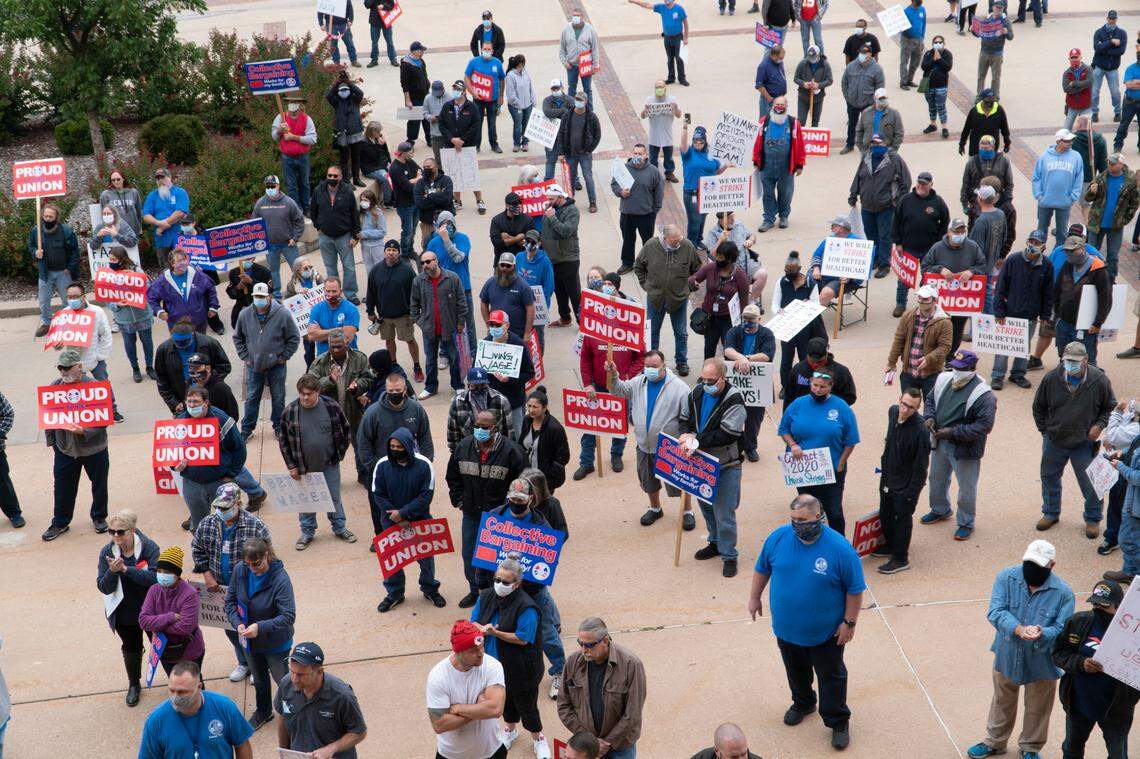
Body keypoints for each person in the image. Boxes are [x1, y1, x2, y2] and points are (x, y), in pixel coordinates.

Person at [749, 494, 865, 751]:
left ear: (818, 516)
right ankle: (803, 703)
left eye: (802, 520)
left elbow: (855, 589)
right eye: (793, 519)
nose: (797, 525)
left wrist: (850, 622)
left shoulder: (840, 548)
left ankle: (837, 720)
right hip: (787, 629)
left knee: (831, 676)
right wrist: (754, 598)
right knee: (795, 670)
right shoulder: (778, 538)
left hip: (826, 633)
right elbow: (762, 568)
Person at [965, 540, 1073, 759]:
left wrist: (1043, 632)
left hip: (1042, 659)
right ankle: (995, 742)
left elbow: (1062, 628)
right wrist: (1018, 629)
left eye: (1038, 565)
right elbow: (995, 611)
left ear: (1052, 565)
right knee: (1002, 699)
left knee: (1038, 706)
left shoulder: (1063, 593)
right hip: (1007, 653)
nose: (1031, 569)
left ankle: (1031, 747)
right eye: (1029, 563)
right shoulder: (1006, 578)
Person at [470, 555, 552, 758]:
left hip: (521, 667)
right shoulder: (486, 596)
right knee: (504, 701)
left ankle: (538, 738)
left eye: (505, 582)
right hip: (494, 664)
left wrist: (495, 632)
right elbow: (473, 621)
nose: (500, 584)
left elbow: (522, 638)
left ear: (517, 584)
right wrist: (480, 628)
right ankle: (510, 729)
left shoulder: (527, 607)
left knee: (527, 705)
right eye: (497, 579)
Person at [1032, 341, 1115, 537]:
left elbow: (1109, 407)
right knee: (1049, 477)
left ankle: (1093, 519)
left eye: (1075, 361)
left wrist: (1099, 426)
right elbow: (1038, 408)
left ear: (1085, 359)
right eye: (1067, 360)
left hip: (1084, 443)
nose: (1070, 365)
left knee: (1091, 483)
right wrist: (1046, 432)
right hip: (1054, 440)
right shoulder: (1051, 378)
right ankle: (1050, 513)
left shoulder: (1099, 380)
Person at [446, 409, 527, 608]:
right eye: (477, 426)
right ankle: (476, 591)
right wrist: (460, 501)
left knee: (498, 557)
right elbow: (452, 477)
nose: (480, 430)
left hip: (500, 518)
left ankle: (497, 593)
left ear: (495, 428)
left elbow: (523, 483)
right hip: (471, 514)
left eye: (485, 427)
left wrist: (511, 510)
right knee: (469, 555)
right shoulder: (463, 447)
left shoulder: (512, 451)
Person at [191, 485, 271, 684]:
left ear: (238, 503)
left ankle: (258, 666)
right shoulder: (207, 524)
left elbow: (268, 559)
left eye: (225, 507)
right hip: (221, 589)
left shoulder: (255, 526)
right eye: (218, 506)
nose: (221, 510)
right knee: (231, 628)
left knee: (252, 626)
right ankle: (243, 662)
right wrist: (206, 573)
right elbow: (198, 550)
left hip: (249, 588)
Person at [1052, 578, 1140, 757]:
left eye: (1104, 605)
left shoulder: (1134, 633)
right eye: (1095, 604)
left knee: (1118, 755)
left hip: (1117, 710)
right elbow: (1058, 653)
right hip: (1079, 704)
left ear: (1119, 606)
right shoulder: (1078, 621)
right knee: (1071, 749)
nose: (1098, 609)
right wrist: (1080, 663)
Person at [610, 350, 695, 528]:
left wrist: (686, 440)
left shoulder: (680, 388)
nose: (650, 370)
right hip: (644, 445)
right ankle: (655, 508)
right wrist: (614, 374)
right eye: (647, 366)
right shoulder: (639, 381)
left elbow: (688, 418)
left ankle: (687, 511)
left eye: (654, 367)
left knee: (680, 482)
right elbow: (619, 390)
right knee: (648, 482)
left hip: (670, 447)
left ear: (664, 365)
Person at [919, 349, 997, 541]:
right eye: (955, 367)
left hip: (964, 448)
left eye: (961, 368)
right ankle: (940, 510)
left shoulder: (984, 395)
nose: (956, 371)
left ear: (972, 368)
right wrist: (929, 417)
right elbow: (930, 400)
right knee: (936, 478)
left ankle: (966, 522)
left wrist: (953, 432)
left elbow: (983, 427)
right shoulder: (944, 379)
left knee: (966, 488)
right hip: (940, 441)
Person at [678, 358, 746, 576]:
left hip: (726, 464)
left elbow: (728, 434)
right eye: (703, 379)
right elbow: (684, 419)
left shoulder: (734, 399)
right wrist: (685, 433)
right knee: (707, 507)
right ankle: (715, 542)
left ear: (723, 378)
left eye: (711, 380)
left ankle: (729, 555)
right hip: (701, 463)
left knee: (724, 512)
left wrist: (696, 439)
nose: (706, 384)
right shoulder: (697, 392)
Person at [278, 375, 357, 550]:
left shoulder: (331, 406)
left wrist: (339, 454)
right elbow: (283, 441)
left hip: (329, 465)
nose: (305, 397)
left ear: (318, 392)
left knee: (334, 498)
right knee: (307, 501)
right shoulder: (290, 411)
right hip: (303, 468)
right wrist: (292, 466)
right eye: (302, 394)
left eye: (309, 394)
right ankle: (307, 533)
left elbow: (346, 430)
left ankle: (340, 528)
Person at [371, 428, 446, 611]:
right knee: (392, 559)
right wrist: (397, 517)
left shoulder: (424, 464)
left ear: (408, 446)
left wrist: (404, 513)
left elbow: (425, 496)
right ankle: (394, 594)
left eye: (399, 447)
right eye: (392, 446)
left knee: (426, 559)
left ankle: (430, 589)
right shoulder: (382, 464)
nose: (395, 450)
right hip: (390, 520)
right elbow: (378, 494)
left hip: (419, 519)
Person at [224, 537, 295, 730]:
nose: (252, 569)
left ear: (266, 556)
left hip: (276, 643)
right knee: (259, 678)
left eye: (256, 564)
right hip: (249, 640)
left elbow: (288, 616)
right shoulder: (241, 570)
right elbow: (229, 602)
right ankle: (264, 711)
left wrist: (260, 627)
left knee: (284, 681)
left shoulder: (281, 579)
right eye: (248, 564)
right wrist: (237, 623)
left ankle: (294, 714)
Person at [574, 284, 643, 479]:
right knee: (590, 426)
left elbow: (641, 358)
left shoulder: (630, 330)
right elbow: (585, 359)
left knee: (619, 425)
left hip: (621, 388)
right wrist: (587, 383)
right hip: (597, 386)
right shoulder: (592, 331)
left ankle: (616, 456)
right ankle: (586, 462)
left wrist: (626, 377)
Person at [779, 373, 860, 536]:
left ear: (830, 386)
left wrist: (842, 462)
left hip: (832, 471)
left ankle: (839, 542)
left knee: (835, 512)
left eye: (822, 387)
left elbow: (851, 440)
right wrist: (792, 444)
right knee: (808, 510)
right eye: (815, 385)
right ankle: (811, 539)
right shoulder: (798, 404)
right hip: (805, 470)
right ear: (810, 382)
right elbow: (783, 428)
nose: (817, 389)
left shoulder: (842, 407)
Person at [41, 350, 109, 542]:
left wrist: (84, 431)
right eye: (60, 368)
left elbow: (104, 418)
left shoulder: (95, 387)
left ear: (79, 366)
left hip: (95, 448)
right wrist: (52, 442)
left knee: (99, 484)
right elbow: (48, 417)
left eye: (67, 367)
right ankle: (60, 522)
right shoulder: (54, 388)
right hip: (65, 449)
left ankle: (99, 517)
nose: (63, 371)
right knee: (63, 487)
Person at [176, 385, 264, 532]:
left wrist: (231, 474)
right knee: (199, 527)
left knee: (231, 523)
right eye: (189, 401)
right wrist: (175, 466)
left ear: (206, 402)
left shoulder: (221, 419)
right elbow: (171, 453)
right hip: (192, 483)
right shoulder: (179, 423)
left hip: (220, 481)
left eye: (196, 401)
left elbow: (239, 449)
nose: (192, 405)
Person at [557, 617, 646, 759]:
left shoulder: (631, 665)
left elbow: (633, 713)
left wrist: (607, 743)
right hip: (585, 748)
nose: (583, 650)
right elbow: (563, 704)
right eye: (580, 643)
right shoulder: (573, 662)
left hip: (620, 747)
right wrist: (589, 740)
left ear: (605, 641)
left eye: (589, 645)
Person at [96, 509, 158, 707]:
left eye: (120, 531)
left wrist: (125, 569)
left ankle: (178, 680)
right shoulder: (107, 552)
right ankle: (134, 684)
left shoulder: (149, 548)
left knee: (161, 646)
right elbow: (103, 586)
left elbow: (155, 579)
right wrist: (112, 572)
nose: (116, 535)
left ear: (132, 530)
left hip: (150, 610)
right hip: (124, 612)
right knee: (131, 648)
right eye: (112, 531)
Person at [137, 661, 253, 759]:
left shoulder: (225, 707)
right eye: (171, 690)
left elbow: (242, 745)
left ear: (199, 687)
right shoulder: (156, 721)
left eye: (182, 692)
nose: (175, 697)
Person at [427, 620, 508, 759]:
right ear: (458, 651)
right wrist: (479, 708)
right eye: (474, 650)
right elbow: (439, 725)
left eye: (482, 647)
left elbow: (495, 709)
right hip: (451, 755)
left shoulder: (493, 666)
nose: (481, 653)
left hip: (491, 752)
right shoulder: (438, 676)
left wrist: (457, 708)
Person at [275, 642, 368, 757]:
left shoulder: (342, 696)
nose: (294, 679)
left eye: (301, 674)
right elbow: (282, 718)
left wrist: (331, 748)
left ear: (319, 671)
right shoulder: (286, 684)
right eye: (292, 672)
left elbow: (359, 732)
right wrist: (284, 753)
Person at [233, 282, 298, 440]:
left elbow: (294, 338)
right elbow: (238, 338)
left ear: (269, 297)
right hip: (254, 366)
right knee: (252, 398)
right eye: (256, 296)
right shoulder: (244, 315)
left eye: (262, 296)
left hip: (276, 366)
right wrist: (245, 357)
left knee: (278, 398)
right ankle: (247, 429)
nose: (259, 299)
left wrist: (284, 357)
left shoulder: (282, 314)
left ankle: (279, 427)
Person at [635, 224, 701, 376]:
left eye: (679, 239)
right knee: (652, 333)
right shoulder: (650, 246)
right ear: (665, 238)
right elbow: (638, 266)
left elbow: (697, 269)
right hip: (655, 298)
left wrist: (690, 285)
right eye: (674, 241)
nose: (678, 243)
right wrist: (646, 285)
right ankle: (652, 363)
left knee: (681, 332)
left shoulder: (687, 246)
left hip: (679, 298)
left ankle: (681, 362)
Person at [992, 230, 1053, 389]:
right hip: (1009, 313)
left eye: (1037, 243)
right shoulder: (1013, 260)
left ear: (1043, 246)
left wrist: (1045, 315)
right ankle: (997, 375)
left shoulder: (1047, 265)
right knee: (1003, 346)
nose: (1033, 245)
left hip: (1030, 315)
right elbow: (1000, 288)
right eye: (1031, 241)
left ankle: (1018, 374)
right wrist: (999, 311)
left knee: (1024, 346)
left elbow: (1048, 293)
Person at [850, 133, 911, 278]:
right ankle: (875, 259)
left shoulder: (894, 159)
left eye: (879, 143)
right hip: (867, 206)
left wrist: (899, 200)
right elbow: (858, 176)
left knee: (885, 236)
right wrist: (853, 194)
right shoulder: (866, 158)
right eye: (874, 143)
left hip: (886, 207)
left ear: (885, 144)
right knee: (870, 235)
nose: (876, 146)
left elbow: (906, 181)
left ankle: (885, 264)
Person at [921, 218, 987, 352]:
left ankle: (951, 357)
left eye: (963, 231)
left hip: (962, 302)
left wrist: (971, 271)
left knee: (957, 331)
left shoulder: (973, 247)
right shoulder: (937, 248)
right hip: (942, 301)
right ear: (949, 232)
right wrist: (940, 269)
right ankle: (936, 355)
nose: (960, 234)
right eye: (957, 231)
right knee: (937, 329)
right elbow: (925, 268)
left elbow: (982, 265)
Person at [138, 545, 205, 676]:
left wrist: (156, 626)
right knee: (174, 681)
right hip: (165, 651)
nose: (162, 575)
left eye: (167, 572)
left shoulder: (189, 594)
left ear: (177, 575)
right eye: (159, 571)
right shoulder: (154, 590)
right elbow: (143, 621)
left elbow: (185, 628)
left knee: (193, 684)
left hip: (189, 652)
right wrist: (171, 617)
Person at [410, 249, 468, 399]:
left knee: (454, 359)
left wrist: (460, 322)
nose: (425, 265)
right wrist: (421, 323)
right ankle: (430, 387)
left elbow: (462, 302)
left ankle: (458, 386)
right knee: (430, 360)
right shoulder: (418, 281)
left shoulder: (452, 278)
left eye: (428, 261)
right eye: (423, 263)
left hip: (450, 328)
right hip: (429, 329)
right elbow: (414, 305)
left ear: (436, 261)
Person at [721, 305, 775, 463]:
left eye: (751, 318)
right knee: (733, 415)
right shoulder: (734, 331)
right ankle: (737, 445)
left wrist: (747, 359)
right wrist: (740, 357)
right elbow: (727, 349)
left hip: (757, 385)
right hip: (736, 382)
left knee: (754, 418)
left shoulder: (767, 334)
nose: (747, 321)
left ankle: (750, 447)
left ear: (759, 319)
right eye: (745, 318)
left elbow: (767, 355)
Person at [59, 282, 120, 421]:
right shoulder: (64, 314)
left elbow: (105, 335)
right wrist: (58, 345)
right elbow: (59, 336)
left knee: (103, 385)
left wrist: (100, 355)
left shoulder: (97, 312)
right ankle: (83, 413)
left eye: (75, 296)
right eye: (69, 297)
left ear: (84, 296)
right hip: (73, 361)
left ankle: (112, 410)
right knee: (76, 389)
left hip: (94, 358)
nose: (72, 300)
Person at [892, 172, 950, 316]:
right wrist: (898, 242)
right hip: (908, 247)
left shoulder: (938, 202)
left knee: (928, 278)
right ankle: (900, 303)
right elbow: (896, 222)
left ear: (931, 185)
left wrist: (938, 243)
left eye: (924, 184)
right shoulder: (905, 200)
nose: (921, 186)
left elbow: (945, 222)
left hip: (929, 249)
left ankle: (926, 306)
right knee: (903, 279)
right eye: (919, 183)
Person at [357, 372, 435, 480]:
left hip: (411, 468)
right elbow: (363, 442)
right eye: (391, 391)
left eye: (398, 390)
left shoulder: (416, 409)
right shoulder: (372, 413)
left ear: (405, 389)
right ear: (386, 389)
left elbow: (425, 438)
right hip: (382, 471)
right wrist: (374, 467)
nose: (394, 393)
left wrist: (425, 463)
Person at [886, 285, 953, 399]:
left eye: (925, 299)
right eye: (919, 298)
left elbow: (945, 347)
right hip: (908, 372)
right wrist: (891, 362)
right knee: (908, 406)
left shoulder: (944, 322)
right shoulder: (908, 316)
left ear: (934, 301)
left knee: (930, 407)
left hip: (931, 375)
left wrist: (929, 359)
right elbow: (899, 340)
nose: (921, 301)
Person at [1053, 235, 1112, 363]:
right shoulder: (1068, 265)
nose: (1070, 254)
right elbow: (1058, 288)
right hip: (1064, 322)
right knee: (1064, 358)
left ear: (1083, 248)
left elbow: (1105, 299)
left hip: (1085, 326)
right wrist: (1057, 312)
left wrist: (1098, 323)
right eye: (1067, 251)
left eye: (1073, 250)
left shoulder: (1098, 269)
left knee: (1087, 360)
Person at [153, 320, 231, 414]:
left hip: (209, 397)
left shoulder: (209, 343)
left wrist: (208, 380)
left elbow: (224, 366)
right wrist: (173, 403)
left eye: (185, 341)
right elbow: (161, 380)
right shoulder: (164, 350)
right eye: (177, 342)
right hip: (182, 401)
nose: (181, 345)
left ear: (193, 334)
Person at [689, 242, 751, 359]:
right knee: (709, 350)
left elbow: (744, 302)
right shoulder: (711, 268)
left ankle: (727, 371)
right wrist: (694, 282)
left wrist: (744, 322)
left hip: (728, 320)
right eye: (717, 255)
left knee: (729, 351)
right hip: (710, 317)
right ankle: (707, 370)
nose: (717, 259)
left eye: (721, 257)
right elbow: (694, 278)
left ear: (730, 258)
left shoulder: (740, 276)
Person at [772, 252, 824, 390]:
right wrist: (778, 311)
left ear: (799, 269)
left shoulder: (810, 283)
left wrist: (809, 305)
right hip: (786, 327)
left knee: (804, 358)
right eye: (786, 270)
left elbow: (817, 304)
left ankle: (805, 385)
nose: (788, 273)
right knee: (786, 359)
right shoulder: (782, 282)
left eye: (791, 270)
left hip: (804, 328)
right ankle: (785, 386)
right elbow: (774, 305)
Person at [752, 96, 805, 231]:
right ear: (772, 105)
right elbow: (757, 142)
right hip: (767, 166)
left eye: (782, 104)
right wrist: (756, 160)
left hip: (785, 166)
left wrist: (800, 164)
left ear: (786, 106)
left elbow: (800, 144)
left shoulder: (793, 123)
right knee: (767, 194)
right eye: (777, 104)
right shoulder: (764, 122)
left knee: (785, 193)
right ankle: (769, 219)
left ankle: (784, 216)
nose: (779, 107)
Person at [311, 166, 362, 304]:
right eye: (330, 175)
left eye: (335, 176)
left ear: (340, 177)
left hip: (344, 236)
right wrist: (318, 227)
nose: (332, 178)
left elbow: (354, 214)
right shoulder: (318, 191)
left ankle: (351, 294)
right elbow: (313, 211)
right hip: (325, 237)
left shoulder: (347, 191)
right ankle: (334, 294)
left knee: (349, 267)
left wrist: (355, 236)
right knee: (330, 267)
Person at [1085, 152, 1138, 281]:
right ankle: (1089, 277)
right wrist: (1092, 192)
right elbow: (1087, 198)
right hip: (1097, 223)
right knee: (1091, 252)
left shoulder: (1130, 181)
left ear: (1121, 164)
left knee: (1113, 255)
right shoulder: (1101, 177)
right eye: (1109, 162)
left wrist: (1124, 220)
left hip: (1116, 225)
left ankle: (1110, 279)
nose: (1110, 165)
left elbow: (1134, 203)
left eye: (1113, 163)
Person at [427, 211, 476, 352]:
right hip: (442, 289)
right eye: (443, 223)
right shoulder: (433, 243)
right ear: (438, 226)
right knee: (444, 324)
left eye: (449, 223)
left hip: (463, 289)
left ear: (454, 224)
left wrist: (446, 240)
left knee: (467, 324)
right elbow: (429, 266)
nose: (447, 226)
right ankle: (445, 353)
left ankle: (473, 352)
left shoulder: (463, 238)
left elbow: (458, 258)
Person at [482, 311, 535, 434]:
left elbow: (529, 372)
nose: (494, 328)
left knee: (518, 434)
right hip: (491, 402)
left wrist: (509, 379)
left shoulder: (518, 345)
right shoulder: (485, 344)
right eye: (491, 325)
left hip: (513, 401)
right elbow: (477, 370)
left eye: (497, 325)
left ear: (507, 326)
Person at [613, 144, 664, 273]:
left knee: (647, 242)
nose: (637, 156)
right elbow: (614, 184)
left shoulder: (653, 171)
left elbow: (659, 191)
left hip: (646, 214)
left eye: (640, 154)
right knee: (628, 240)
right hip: (627, 213)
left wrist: (655, 210)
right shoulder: (624, 169)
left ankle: (647, 264)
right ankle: (627, 263)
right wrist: (620, 192)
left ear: (645, 155)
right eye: (635, 153)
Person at [147, 247, 221, 335]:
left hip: (199, 320)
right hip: (176, 324)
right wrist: (159, 311)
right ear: (172, 263)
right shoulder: (163, 281)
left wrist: (213, 306)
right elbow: (151, 297)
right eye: (179, 260)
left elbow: (211, 289)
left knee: (200, 343)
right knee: (180, 343)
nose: (183, 262)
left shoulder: (197, 275)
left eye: (184, 259)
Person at [252, 175, 305, 298]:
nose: (270, 188)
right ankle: (276, 294)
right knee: (273, 272)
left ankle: (301, 290)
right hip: (270, 245)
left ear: (278, 186)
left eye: (272, 186)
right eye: (268, 186)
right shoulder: (260, 203)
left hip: (288, 243)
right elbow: (254, 224)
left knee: (297, 268)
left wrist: (295, 237)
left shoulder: (289, 202)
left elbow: (299, 220)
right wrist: (260, 240)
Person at [439, 80, 487, 213]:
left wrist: (462, 140)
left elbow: (475, 126)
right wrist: (452, 139)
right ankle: (457, 201)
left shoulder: (472, 107)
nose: (456, 91)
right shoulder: (447, 106)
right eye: (454, 89)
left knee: (471, 174)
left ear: (464, 92)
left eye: (458, 89)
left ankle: (479, 200)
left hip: (467, 146)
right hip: (451, 146)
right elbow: (442, 124)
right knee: (454, 175)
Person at [1032, 129, 1083, 246]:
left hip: (1064, 202)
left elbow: (1079, 177)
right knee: (1041, 230)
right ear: (1058, 141)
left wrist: (1073, 197)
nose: (1071, 143)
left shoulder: (1076, 157)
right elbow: (1036, 177)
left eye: (1072, 140)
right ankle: (1039, 251)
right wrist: (1039, 195)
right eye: (1067, 141)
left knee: (1062, 232)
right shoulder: (1045, 156)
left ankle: (1059, 253)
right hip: (1045, 202)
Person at [541, 184, 583, 326]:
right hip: (552, 258)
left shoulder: (572, 211)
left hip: (568, 258)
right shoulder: (550, 208)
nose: (548, 201)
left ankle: (583, 323)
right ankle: (565, 318)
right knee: (559, 292)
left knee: (574, 293)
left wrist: (552, 217)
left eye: (551, 199)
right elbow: (546, 231)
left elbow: (566, 231)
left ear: (560, 197)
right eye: (548, 198)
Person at [704, 212, 768, 305]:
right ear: (722, 219)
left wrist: (750, 240)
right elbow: (712, 255)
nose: (733, 220)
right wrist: (720, 241)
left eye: (733, 217)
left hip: (745, 261)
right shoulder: (713, 232)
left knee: (762, 274)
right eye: (730, 218)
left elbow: (752, 235)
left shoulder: (738, 225)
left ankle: (752, 301)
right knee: (731, 286)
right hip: (728, 266)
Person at [679, 123, 727, 246]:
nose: (698, 143)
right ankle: (691, 245)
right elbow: (683, 144)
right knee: (694, 221)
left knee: (702, 219)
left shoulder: (711, 154)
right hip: (692, 193)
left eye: (700, 141)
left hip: (707, 193)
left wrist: (726, 165)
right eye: (695, 140)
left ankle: (698, 240)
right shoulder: (688, 152)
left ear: (705, 141)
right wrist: (685, 128)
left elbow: (717, 171)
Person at [446, 368, 513, 452]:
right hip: (469, 450)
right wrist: (456, 453)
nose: (479, 388)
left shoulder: (501, 400)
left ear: (488, 384)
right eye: (475, 386)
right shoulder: (458, 402)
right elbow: (453, 432)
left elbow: (509, 431)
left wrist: (507, 452)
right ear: (468, 385)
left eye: (483, 385)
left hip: (496, 450)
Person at [271, 94, 317, 214]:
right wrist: (280, 130)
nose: (292, 104)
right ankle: (296, 209)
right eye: (290, 102)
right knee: (291, 185)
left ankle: (306, 207)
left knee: (304, 183)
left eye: (295, 102)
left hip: (303, 157)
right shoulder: (281, 117)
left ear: (300, 105)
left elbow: (312, 139)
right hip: (287, 158)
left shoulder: (307, 119)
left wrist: (293, 137)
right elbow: (274, 136)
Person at [518, 388, 571, 493]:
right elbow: (521, 444)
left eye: (535, 407)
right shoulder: (527, 420)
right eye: (529, 406)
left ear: (544, 408)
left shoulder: (555, 428)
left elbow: (563, 457)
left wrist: (548, 476)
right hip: (527, 476)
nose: (531, 410)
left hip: (545, 480)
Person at [557, 93, 602, 214]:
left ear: (585, 102)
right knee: (570, 178)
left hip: (585, 154)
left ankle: (592, 201)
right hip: (570, 153)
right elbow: (561, 133)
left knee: (588, 177)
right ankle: (570, 201)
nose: (578, 101)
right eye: (576, 99)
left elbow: (597, 135)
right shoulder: (568, 115)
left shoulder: (591, 116)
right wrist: (561, 152)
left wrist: (589, 149)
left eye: (580, 100)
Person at [784, 335, 857, 409]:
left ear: (826, 355)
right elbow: (788, 396)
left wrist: (829, 402)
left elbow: (850, 397)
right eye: (812, 361)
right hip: (802, 411)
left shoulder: (841, 372)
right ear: (807, 355)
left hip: (829, 412)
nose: (815, 364)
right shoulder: (798, 369)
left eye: (819, 361)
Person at [809, 214, 867, 308]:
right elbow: (816, 255)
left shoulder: (857, 242)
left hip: (841, 279)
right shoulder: (830, 239)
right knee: (805, 285)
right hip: (822, 274)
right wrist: (816, 268)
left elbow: (862, 267)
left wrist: (850, 276)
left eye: (833, 226)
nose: (831, 228)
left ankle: (816, 316)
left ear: (841, 228)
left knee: (825, 294)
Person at [628, 0, 689, 86]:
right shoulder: (662, 7)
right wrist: (635, 1)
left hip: (678, 37)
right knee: (670, 59)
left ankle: (682, 78)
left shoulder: (679, 9)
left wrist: (686, 37)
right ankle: (671, 78)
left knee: (679, 59)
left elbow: (685, 23)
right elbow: (647, 5)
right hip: (667, 38)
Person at [839, 43, 884, 155]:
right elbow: (844, 82)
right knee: (852, 124)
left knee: (868, 125)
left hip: (868, 103)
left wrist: (875, 102)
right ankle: (850, 144)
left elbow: (880, 87)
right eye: (861, 53)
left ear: (870, 54)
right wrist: (847, 97)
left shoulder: (877, 69)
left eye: (865, 53)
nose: (862, 55)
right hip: (852, 102)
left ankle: (868, 146)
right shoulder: (851, 66)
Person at [480, 253, 536, 341]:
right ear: (498, 266)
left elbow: (530, 308)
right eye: (502, 265)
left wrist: (527, 333)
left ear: (514, 267)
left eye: (508, 266)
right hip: (496, 333)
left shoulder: (523, 286)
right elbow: (483, 303)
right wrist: (488, 325)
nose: (505, 268)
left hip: (517, 335)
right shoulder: (490, 283)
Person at [465, 40, 507, 155]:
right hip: (478, 100)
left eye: (489, 49)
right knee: (477, 123)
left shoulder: (497, 63)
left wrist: (501, 95)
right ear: (481, 50)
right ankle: (476, 146)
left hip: (492, 100)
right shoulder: (474, 62)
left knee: (492, 123)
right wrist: (472, 92)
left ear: (492, 51)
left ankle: (494, 144)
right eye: (485, 49)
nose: (486, 51)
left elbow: (502, 79)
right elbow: (466, 77)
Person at [960, 135, 1016, 220]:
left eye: (986, 148)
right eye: (981, 148)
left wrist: (1007, 200)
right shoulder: (972, 163)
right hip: (978, 200)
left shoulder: (1004, 161)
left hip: (998, 200)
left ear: (993, 147)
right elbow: (966, 184)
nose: (983, 150)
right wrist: (965, 203)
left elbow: (1009, 184)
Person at [141, 167, 190, 260]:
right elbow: (146, 215)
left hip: (179, 237)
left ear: (169, 177)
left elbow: (180, 212)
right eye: (158, 178)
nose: (160, 180)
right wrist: (159, 223)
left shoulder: (180, 192)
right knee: (164, 266)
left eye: (162, 177)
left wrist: (163, 226)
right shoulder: (152, 196)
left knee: (181, 263)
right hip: (161, 239)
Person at [308, 277, 361, 357]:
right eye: (328, 291)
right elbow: (312, 336)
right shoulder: (316, 309)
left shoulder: (351, 309)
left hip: (348, 357)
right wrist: (340, 329)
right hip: (324, 358)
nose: (331, 294)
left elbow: (347, 338)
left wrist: (320, 332)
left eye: (334, 291)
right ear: (324, 290)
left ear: (341, 291)